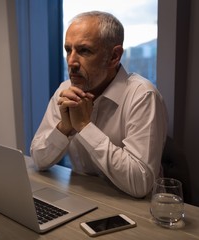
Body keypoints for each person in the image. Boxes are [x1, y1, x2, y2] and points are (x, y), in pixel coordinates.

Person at [30, 11, 168, 198]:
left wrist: (85, 127)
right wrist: (64, 128)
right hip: (84, 199)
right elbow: (38, 159)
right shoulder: (65, 90)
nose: (71, 62)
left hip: (136, 209)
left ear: (114, 56)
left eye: (84, 50)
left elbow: (140, 183)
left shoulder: (143, 96)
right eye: (68, 50)